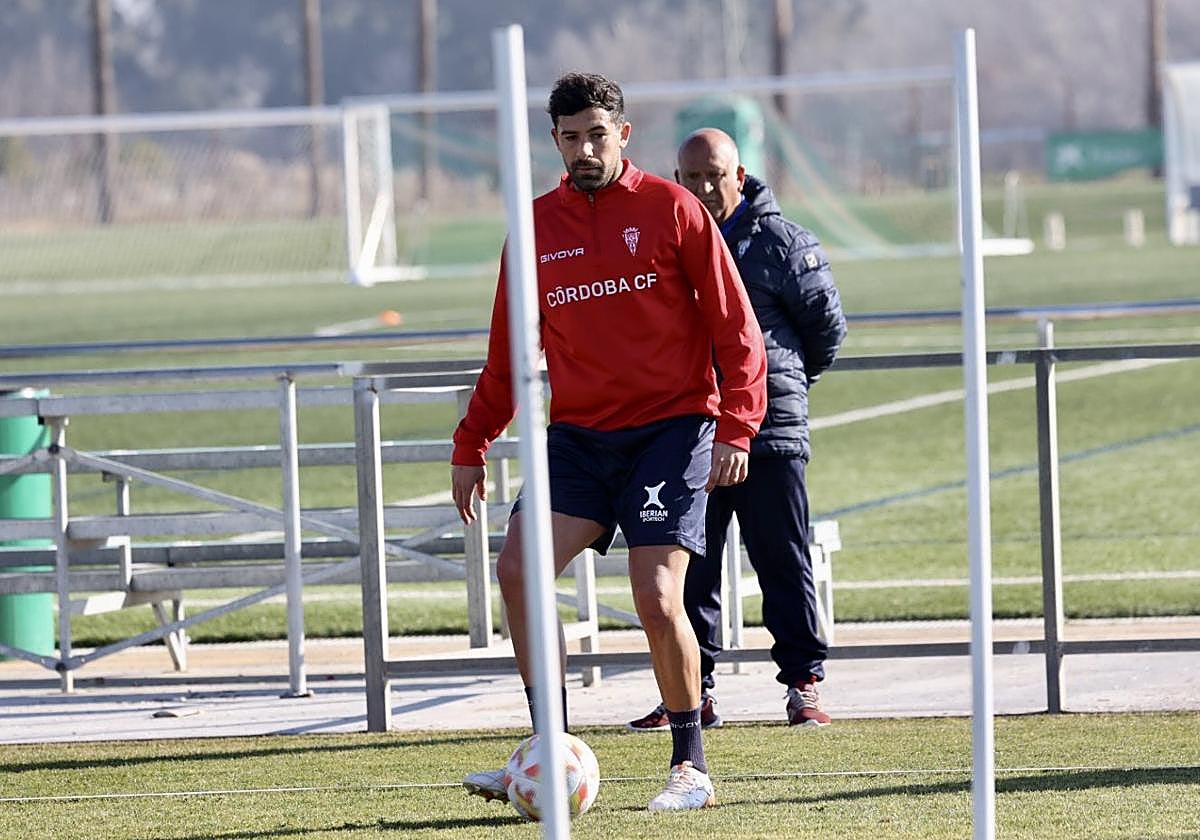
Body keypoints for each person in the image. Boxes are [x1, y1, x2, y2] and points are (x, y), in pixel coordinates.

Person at [450, 75, 767, 811]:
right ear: (554, 142)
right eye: (570, 137)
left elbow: (735, 326)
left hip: (671, 429)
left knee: (657, 597)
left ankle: (690, 766)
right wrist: (473, 443)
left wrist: (738, 424)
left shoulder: (673, 209)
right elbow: (507, 354)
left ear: (623, 134)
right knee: (520, 567)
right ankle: (545, 751)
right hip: (579, 438)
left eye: (598, 133)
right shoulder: (532, 232)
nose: (585, 148)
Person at [627, 128, 847, 732]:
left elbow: (826, 332)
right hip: (689, 430)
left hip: (769, 433)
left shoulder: (784, 242)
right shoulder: (666, 238)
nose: (702, 188)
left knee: (782, 560)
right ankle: (692, 694)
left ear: (740, 173)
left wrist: (783, 390)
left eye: (714, 175)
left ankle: (803, 687)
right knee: (689, 567)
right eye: (689, 177)